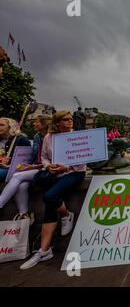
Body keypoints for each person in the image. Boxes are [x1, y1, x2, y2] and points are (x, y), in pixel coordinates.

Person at [20, 111, 86, 270]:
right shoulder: (48, 138)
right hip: (54, 173)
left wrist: (66, 167)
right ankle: (44, 250)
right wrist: (48, 165)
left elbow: (83, 160)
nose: (70, 121)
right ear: (57, 122)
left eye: (71, 119)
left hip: (74, 172)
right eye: (66, 119)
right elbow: (44, 157)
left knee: (49, 197)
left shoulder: (78, 136)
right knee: (49, 207)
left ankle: (66, 214)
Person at [0, 115, 52, 220]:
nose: (33, 123)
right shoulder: (37, 136)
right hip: (33, 168)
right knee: (22, 185)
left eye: (1, 125)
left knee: (18, 176)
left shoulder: (20, 139)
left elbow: (27, 158)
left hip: (37, 169)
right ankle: (24, 214)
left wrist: (12, 165)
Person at [0, 118, 31, 183]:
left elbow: (26, 161)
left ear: (10, 127)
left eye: (2, 125)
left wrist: (9, 165)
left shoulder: (21, 140)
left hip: (10, 170)